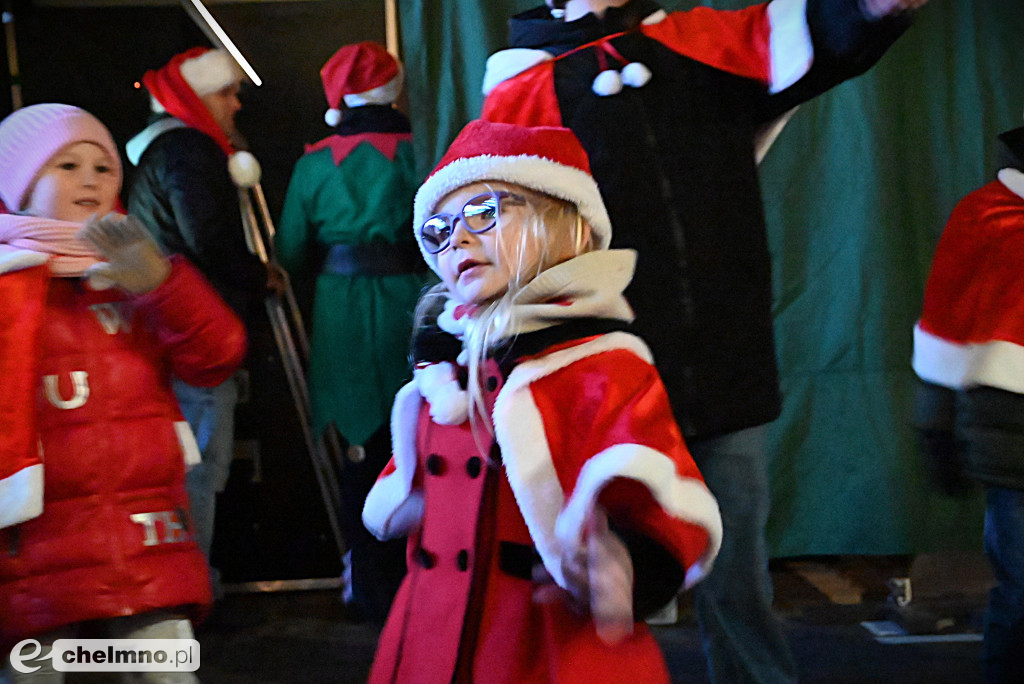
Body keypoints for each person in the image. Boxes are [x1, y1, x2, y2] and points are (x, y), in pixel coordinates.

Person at [479, 0, 929, 681]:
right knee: (601, 586)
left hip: (723, 362)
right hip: (603, 380)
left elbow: (816, 35)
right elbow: (496, 243)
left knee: (737, 579)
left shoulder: (701, 44)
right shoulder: (522, 90)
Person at [361, 119, 722, 683]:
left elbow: (668, 498)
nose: (456, 238)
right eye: (439, 228)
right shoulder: (445, 374)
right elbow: (414, 499)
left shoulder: (601, 364)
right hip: (430, 636)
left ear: (569, 228)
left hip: (545, 648)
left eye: (484, 211)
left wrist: (627, 563)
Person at [0, 103, 246, 681]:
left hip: (140, 554)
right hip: (32, 562)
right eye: (66, 165)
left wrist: (164, 286)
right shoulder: (6, 281)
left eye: (102, 167)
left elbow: (217, 357)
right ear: (17, 182)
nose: (90, 179)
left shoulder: (133, 274)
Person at [276, 41, 430, 622]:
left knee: (360, 450)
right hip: (412, 304)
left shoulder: (314, 162)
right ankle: (423, 579)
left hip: (339, 311)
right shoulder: (424, 152)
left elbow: (290, 250)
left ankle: (367, 583)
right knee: (420, 436)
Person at [125, 47, 279, 594]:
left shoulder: (161, 153)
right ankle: (193, 588)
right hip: (197, 333)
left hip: (170, 329)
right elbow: (206, 237)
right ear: (196, 97)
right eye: (225, 93)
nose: (235, 104)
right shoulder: (189, 152)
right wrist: (259, 273)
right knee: (199, 467)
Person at [911, 122, 1024, 684]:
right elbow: (945, 324)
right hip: (1011, 434)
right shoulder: (986, 216)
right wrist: (936, 427)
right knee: (1023, 589)